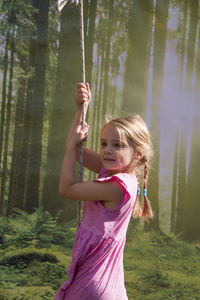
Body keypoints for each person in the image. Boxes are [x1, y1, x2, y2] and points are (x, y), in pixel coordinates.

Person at [54, 82, 153, 300]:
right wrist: (81, 110)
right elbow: (76, 148)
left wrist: (72, 148)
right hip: (109, 285)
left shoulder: (116, 187)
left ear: (138, 153)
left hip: (91, 284)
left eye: (117, 145)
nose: (108, 150)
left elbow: (67, 188)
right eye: (104, 143)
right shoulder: (118, 174)